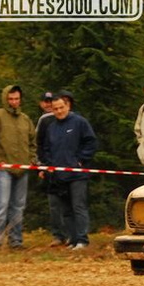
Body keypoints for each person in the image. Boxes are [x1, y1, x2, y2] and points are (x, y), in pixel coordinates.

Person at [0, 85, 36, 249]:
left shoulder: (25, 119)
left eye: (16, 99)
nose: (14, 102)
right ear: (5, 99)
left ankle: (16, 241)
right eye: (10, 99)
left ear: (20, 99)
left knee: (18, 207)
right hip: (4, 169)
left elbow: (33, 141)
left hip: (23, 169)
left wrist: (32, 159)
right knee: (2, 204)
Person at [43, 94, 97, 250]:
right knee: (66, 209)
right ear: (52, 110)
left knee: (78, 206)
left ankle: (82, 240)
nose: (59, 111)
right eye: (55, 109)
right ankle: (72, 239)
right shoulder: (51, 127)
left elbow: (91, 142)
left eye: (61, 107)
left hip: (78, 174)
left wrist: (81, 160)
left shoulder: (79, 122)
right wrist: (50, 164)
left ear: (68, 106)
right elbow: (46, 148)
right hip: (59, 174)